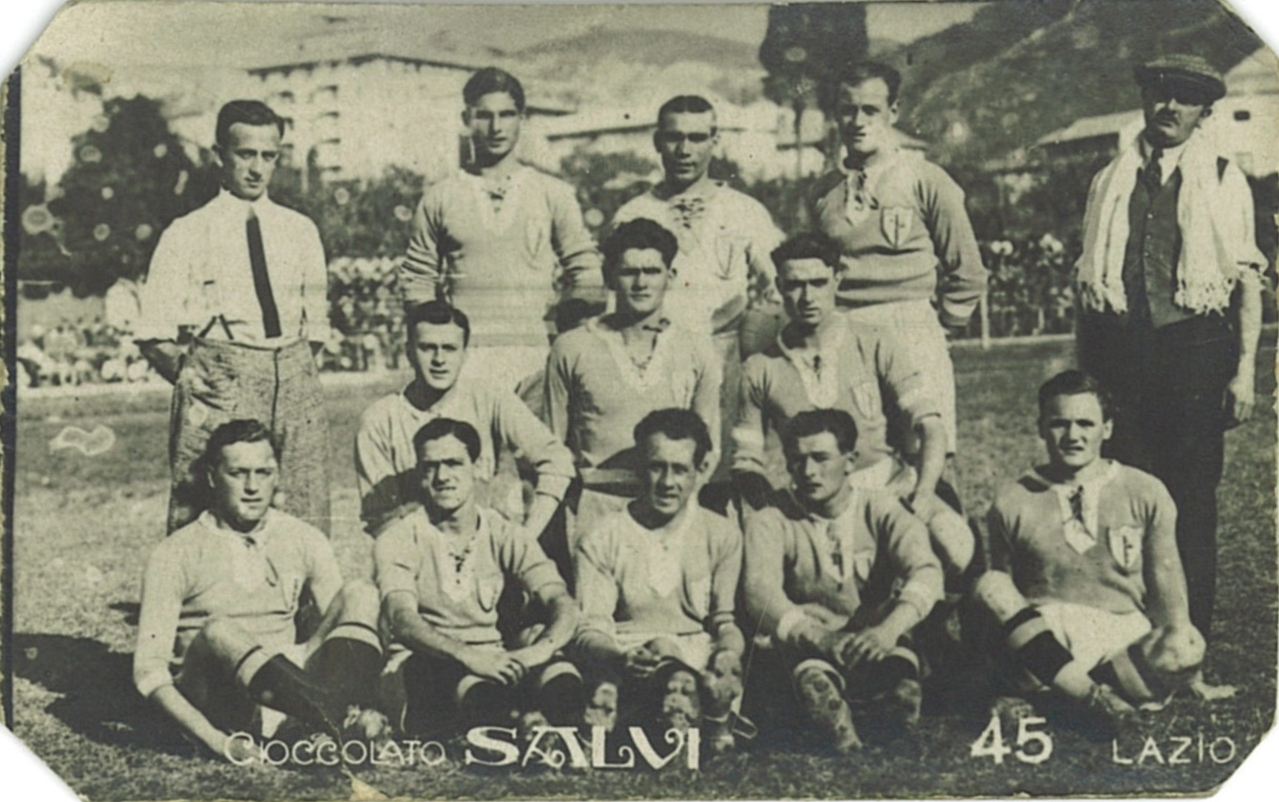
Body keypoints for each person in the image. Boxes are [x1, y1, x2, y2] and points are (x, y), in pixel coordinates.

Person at [1074, 55, 1264, 649]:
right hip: (1120, 358)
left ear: (1204, 112)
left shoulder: (1224, 178)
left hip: (1195, 354)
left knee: (1190, 501)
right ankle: (1132, 633)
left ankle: (1188, 641)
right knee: (1125, 495)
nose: (1170, 107)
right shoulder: (1109, 181)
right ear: (1144, 100)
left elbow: (1246, 281)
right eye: (1161, 94)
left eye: (1185, 98)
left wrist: (1244, 372)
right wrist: (1086, 379)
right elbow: (1087, 287)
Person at [974, 371, 1216, 736]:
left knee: (1185, 643)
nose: (1073, 436)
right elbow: (1006, 602)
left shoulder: (1144, 490)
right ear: (1041, 428)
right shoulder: (1013, 499)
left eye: (1085, 423)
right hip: (1045, 641)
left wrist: (1191, 670)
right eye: (1059, 424)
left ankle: (1057, 702)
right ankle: (1092, 699)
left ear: (1107, 428)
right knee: (991, 584)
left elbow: (1166, 580)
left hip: (1119, 638)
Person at [133, 420, 387, 762]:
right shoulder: (175, 552)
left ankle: (340, 715)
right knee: (219, 630)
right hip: (219, 695)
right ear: (212, 476)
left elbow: (339, 638)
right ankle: (334, 719)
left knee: (360, 593)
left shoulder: (303, 537)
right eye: (238, 473)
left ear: (277, 475)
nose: (252, 487)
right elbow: (148, 672)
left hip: (290, 683)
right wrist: (217, 742)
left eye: (263, 473)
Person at [135, 100, 331, 535]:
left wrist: (289, 369)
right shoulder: (187, 233)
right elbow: (153, 334)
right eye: (245, 154)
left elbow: (316, 327)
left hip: (294, 378)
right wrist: (194, 380)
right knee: (207, 513)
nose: (257, 168)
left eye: (269, 156)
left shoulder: (300, 230)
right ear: (219, 155)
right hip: (219, 380)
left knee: (304, 508)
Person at [733, 232, 973, 576]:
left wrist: (922, 493)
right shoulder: (760, 367)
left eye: (818, 283)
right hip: (811, 498)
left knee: (956, 544)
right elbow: (745, 462)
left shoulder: (873, 341)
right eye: (795, 285)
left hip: (886, 486)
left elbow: (932, 427)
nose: (807, 297)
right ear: (779, 286)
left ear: (837, 279)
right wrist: (771, 511)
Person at [398, 67, 604, 407]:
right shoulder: (440, 196)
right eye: (484, 116)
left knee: (538, 442)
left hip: (537, 358)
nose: (496, 128)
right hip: (466, 361)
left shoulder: (552, 192)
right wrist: (437, 346)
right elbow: (417, 280)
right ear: (466, 119)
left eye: (507, 115)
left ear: (522, 119)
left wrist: (568, 336)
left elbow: (587, 272)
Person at [812, 61, 987, 459]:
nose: (858, 122)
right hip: (847, 332)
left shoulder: (926, 179)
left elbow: (969, 271)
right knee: (858, 458)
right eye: (847, 110)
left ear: (893, 112)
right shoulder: (822, 193)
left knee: (925, 456)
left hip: (912, 327)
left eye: (870, 110)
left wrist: (938, 328)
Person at [742, 409, 943, 752]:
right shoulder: (771, 519)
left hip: (873, 639)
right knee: (801, 668)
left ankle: (891, 696)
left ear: (850, 461)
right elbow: (759, 593)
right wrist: (817, 636)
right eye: (797, 460)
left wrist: (888, 630)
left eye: (821, 458)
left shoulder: (882, 509)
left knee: (899, 676)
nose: (808, 472)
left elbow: (927, 571)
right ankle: (825, 700)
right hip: (810, 640)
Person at [375, 418, 582, 736]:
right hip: (426, 663)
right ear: (419, 473)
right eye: (431, 467)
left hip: (494, 660)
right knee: (472, 692)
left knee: (561, 677)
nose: (442, 477)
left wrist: (540, 650)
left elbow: (561, 600)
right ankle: (518, 723)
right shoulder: (400, 537)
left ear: (478, 466)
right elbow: (402, 619)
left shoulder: (504, 532)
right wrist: (467, 656)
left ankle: (537, 725)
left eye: (453, 463)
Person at [612, 95, 784, 472]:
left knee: (720, 475)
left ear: (714, 140)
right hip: (656, 362)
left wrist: (755, 337)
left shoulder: (744, 211)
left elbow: (781, 285)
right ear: (658, 141)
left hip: (725, 363)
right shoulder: (633, 213)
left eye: (697, 137)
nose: (685, 150)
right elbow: (616, 301)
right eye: (674, 137)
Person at [545, 218, 722, 562]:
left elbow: (707, 448)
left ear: (670, 276)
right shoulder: (572, 347)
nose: (641, 283)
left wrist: (677, 504)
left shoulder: (696, 348)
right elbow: (552, 447)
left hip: (671, 512)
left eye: (652, 271)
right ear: (609, 277)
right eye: (629, 272)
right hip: (597, 510)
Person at [572, 409, 745, 751]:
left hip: (697, 654)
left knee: (702, 668)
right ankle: (691, 720)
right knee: (607, 674)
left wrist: (727, 654)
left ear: (700, 470)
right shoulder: (602, 537)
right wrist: (619, 658)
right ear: (639, 466)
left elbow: (724, 620)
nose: (667, 483)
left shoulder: (722, 534)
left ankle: (696, 707)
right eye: (656, 467)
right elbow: (592, 628)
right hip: (629, 656)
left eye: (680, 469)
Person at [355, 301, 574, 539]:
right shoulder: (380, 419)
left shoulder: (490, 397)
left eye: (449, 349)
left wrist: (525, 539)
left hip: (485, 549)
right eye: (427, 348)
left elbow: (557, 461)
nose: (439, 359)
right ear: (408, 352)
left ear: (464, 355)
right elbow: (381, 517)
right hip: (416, 550)